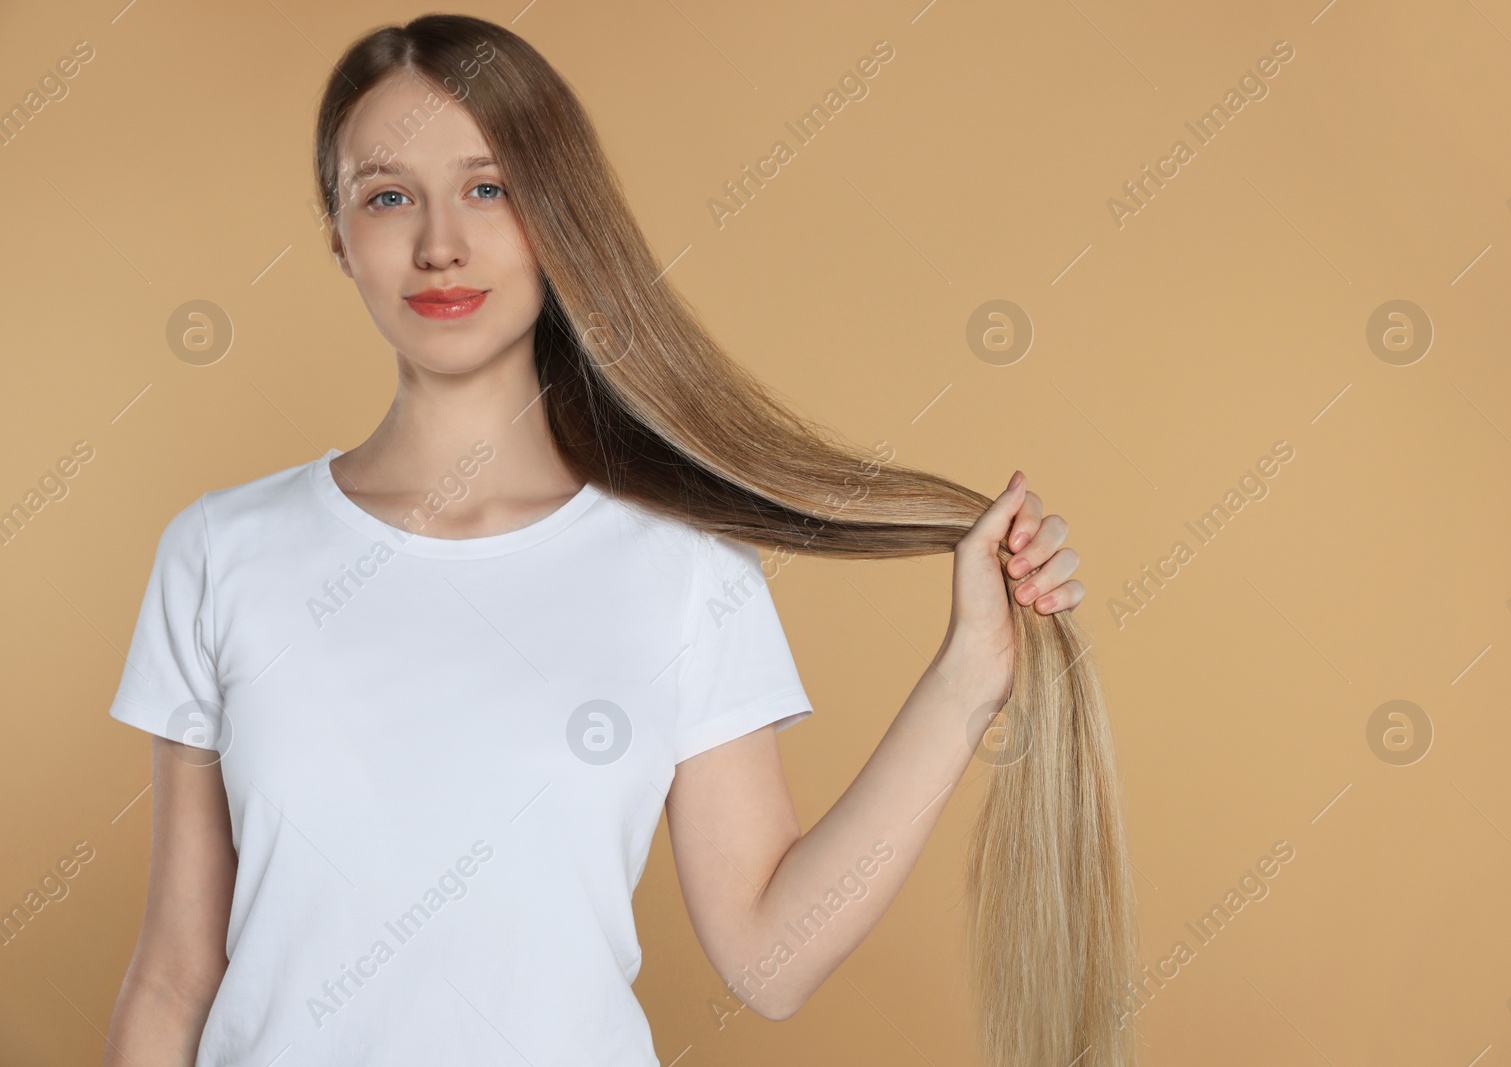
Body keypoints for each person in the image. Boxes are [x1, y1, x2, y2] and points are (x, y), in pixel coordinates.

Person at [101, 15, 1106, 1067]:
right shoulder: (219, 552)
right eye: (388, 194)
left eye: (489, 187)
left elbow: (771, 957)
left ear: (559, 218)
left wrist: (966, 679)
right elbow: (175, 974)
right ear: (338, 235)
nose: (440, 241)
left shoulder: (680, 567)